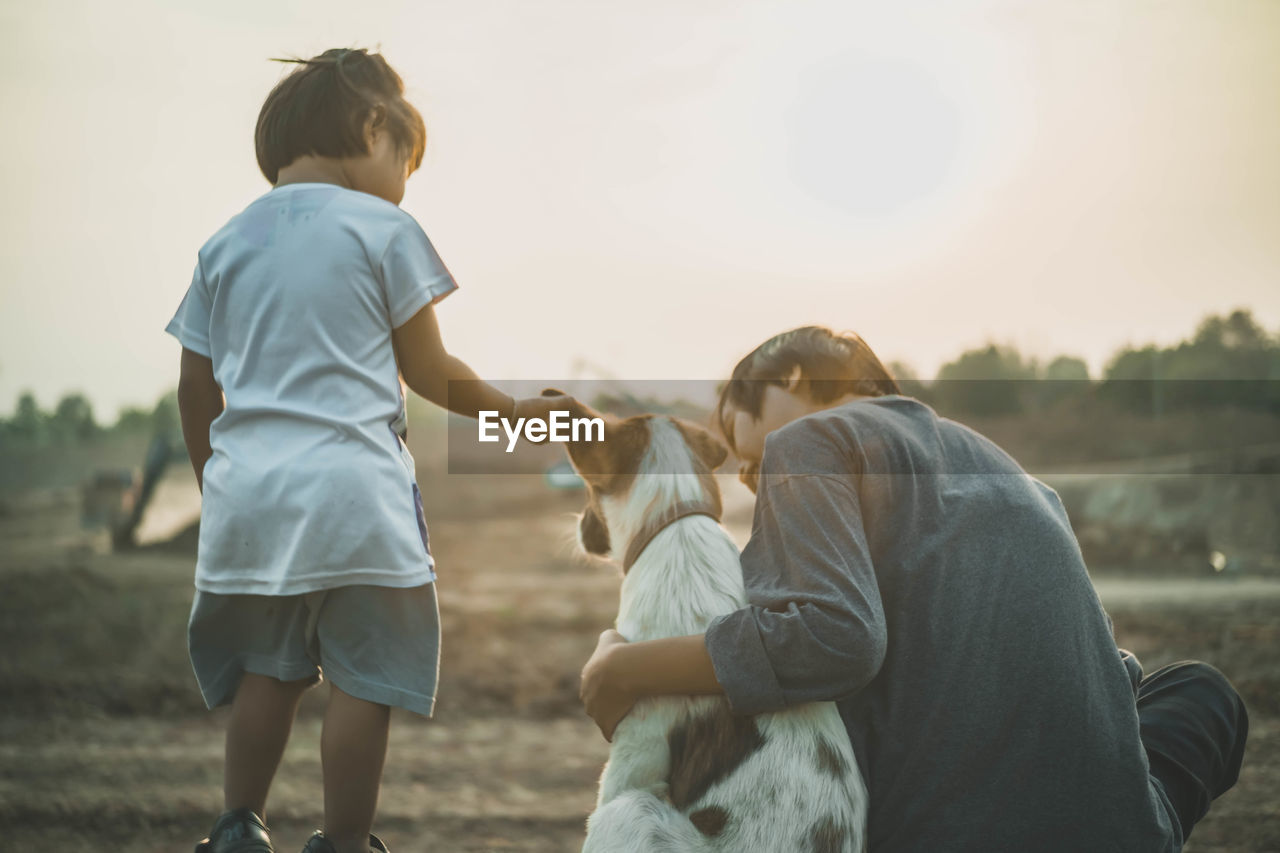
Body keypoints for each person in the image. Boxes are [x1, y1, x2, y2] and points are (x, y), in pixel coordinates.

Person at [578, 325, 1248, 852]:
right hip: (1127, 834)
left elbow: (833, 639)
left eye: (748, 446)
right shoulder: (1017, 480)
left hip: (946, 835)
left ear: (791, 375)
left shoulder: (810, 441)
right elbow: (1101, 667)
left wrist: (627, 665)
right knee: (1198, 689)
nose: (753, 478)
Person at [166, 47, 571, 853]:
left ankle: (237, 826)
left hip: (252, 500)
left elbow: (194, 388)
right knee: (363, 679)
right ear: (375, 126)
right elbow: (429, 372)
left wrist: (220, 486)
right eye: (406, 164)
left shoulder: (223, 243)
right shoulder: (384, 229)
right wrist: (519, 414)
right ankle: (344, 841)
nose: (404, 183)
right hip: (356, 500)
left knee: (267, 670)